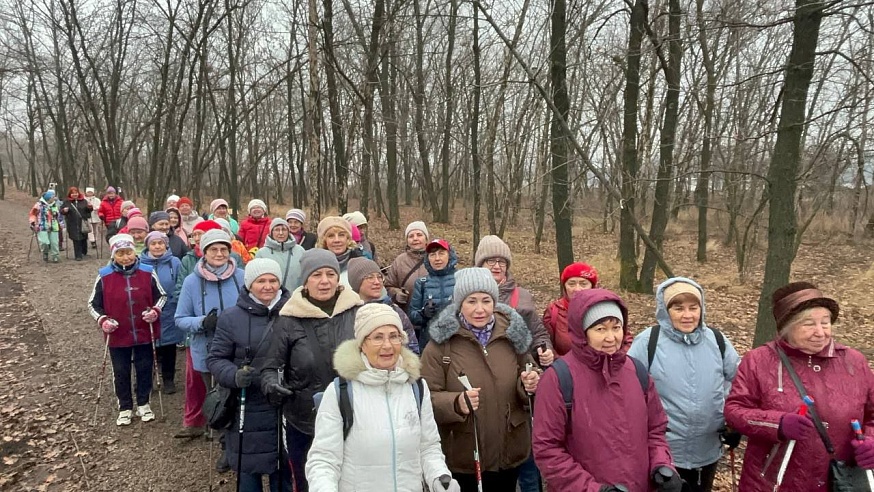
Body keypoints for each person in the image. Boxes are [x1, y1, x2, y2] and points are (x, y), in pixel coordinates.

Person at [724, 282, 874, 491]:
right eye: (809, 324)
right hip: (772, 482)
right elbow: (734, 411)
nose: (820, 332)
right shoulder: (758, 361)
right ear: (786, 328)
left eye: (825, 322)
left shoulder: (853, 362)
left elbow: (872, 414)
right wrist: (777, 424)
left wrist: (870, 441)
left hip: (842, 481)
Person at [532, 288, 680, 492]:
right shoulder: (558, 379)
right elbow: (547, 449)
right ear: (582, 333)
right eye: (600, 329)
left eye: (616, 327)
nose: (611, 337)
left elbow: (655, 429)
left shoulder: (636, 371)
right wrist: (594, 489)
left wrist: (661, 465)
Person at [305, 303, 458, 491]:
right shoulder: (340, 392)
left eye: (394, 336)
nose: (387, 345)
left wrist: (439, 477)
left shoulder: (416, 387)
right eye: (378, 337)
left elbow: (428, 447)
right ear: (362, 344)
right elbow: (324, 460)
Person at [420, 267, 540, 491]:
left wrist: (529, 384)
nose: (479, 309)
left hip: (509, 451)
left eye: (486, 301)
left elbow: (529, 371)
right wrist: (456, 403)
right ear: (459, 303)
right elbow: (425, 397)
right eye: (471, 301)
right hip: (464, 455)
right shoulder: (440, 344)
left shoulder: (513, 333)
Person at [261, 249, 363, 491]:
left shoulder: (357, 312)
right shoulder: (288, 319)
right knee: (310, 482)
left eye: (330, 274)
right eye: (317, 275)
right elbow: (270, 366)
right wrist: (271, 385)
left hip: (354, 417)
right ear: (305, 281)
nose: (325, 280)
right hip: (305, 420)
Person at [628, 278, 741, 492]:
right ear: (665, 310)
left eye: (693, 307)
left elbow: (741, 381)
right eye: (678, 308)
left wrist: (734, 422)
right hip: (664, 452)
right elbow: (628, 391)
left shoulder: (717, 340)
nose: (687, 315)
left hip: (708, 447)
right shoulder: (647, 342)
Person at [207, 259, 291, 491]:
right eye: (261, 281)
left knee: (283, 471)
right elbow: (215, 359)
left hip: (283, 403)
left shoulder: (293, 312)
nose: (268, 286)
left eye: (273, 280)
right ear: (249, 284)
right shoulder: (231, 318)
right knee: (248, 474)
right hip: (247, 404)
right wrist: (234, 375)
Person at [174, 229, 246, 459]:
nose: (219, 253)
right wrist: (203, 321)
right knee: (218, 398)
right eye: (213, 249)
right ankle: (223, 444)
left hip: (240, 347)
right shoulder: (191, 282)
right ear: (204, 252)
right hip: (207, 349)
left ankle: (232, 442)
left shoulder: (242, 277)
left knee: (238, 395)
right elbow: (180, 319)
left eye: (223, 249)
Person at [88, 234, 167, 425]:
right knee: (121, 370)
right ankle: (124, 406)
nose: (126, 257)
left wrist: (155, 311)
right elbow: (92, 303)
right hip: (117, 334)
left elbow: (162, 296)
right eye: (120, 253)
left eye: (129, 252)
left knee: (145, 367)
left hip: (143, 330)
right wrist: (103, 320)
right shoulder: (104, 275)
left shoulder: (148, 272)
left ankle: (143, 403)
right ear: (114, 255)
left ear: (135, 252)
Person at [474, 235, 554, 367]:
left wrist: (545, 349)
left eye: (502, 261)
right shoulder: (465, 296)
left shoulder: (522, 296)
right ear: (480, 264)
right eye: (491, 261)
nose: (497, 266)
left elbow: (538, 333)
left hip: (515, 369)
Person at [139, 231, 184, 394]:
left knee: (169, 348)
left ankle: (168, 379)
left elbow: (180, 282)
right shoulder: (140, 263)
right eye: (153, 243)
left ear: (166, 244)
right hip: (147, 310)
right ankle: (147, 379)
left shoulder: (175, 262)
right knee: (148, 348)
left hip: (170, 309)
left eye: (160, 243)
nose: (157, 246)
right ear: (148, 246)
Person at [347, 257, 419, 354]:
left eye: (379, 277)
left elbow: (412, 350)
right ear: (356, 282)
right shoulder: (347, 314)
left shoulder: (394, 311)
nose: (377, 282)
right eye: (370, 277)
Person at [408, 239, 457, 349]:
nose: (437, 258)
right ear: (427, 258)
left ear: (449, 255)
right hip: (429, 343)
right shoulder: (422, 283)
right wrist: (423, 314)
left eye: (441, 253)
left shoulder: (461, 279)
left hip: (457, 341)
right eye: (432, 254)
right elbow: (412, 315)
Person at [543, 262, 599, 356]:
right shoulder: (554, 311)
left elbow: (624, 342)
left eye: (583, 284)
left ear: (592, 287)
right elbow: (546, 344)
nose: (577, 289)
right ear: (565, 287)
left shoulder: (604, 309)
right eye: (571, 284)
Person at [384, 221, 430, 312]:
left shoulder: (435, 258)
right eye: (411, 236)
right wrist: (396, 293)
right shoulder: (399, 261)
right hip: (407, 314)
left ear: (426, 238)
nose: (415, 239)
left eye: (419, 235)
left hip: (433, 316)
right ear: (407, 241)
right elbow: (388, 286)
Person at [255, 218, 305, 291]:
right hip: (271, 297)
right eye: (277, 230)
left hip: (295, 297)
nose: (281, 233)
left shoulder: (300, 251)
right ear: (271, 232)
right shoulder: (262, 253)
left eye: (284, 230)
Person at [316, 216, 363, 288]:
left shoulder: (360, 263)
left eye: (341, 235)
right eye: (331, 236)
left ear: (348, 239)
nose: (337, 240)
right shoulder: (314, 265)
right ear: (324, 241)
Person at [60, 186, 93, 261]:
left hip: (83, 223)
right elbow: (61, 211)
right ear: (70, 194)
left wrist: (90, 208)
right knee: (76, 239)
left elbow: (88, 212)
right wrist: (64, 211)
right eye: (73, 193)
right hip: (72, 223)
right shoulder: (66, 202)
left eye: (76, 193)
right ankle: (78, 255)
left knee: (84, 238)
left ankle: (84, 252)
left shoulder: (84, 201)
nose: (75, 195)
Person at [29, 190, 62, 263]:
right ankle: (45, 252)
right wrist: (33, 222)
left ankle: (55, 256)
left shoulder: (54, 205)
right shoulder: (38, 205)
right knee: (44, 242)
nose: (54, 198)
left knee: (54, 243)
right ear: (48, 198)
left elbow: (59, 216)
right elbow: (32, 214)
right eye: (53, 197)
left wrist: (61, 223)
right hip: (42, 226)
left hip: (54, 226)